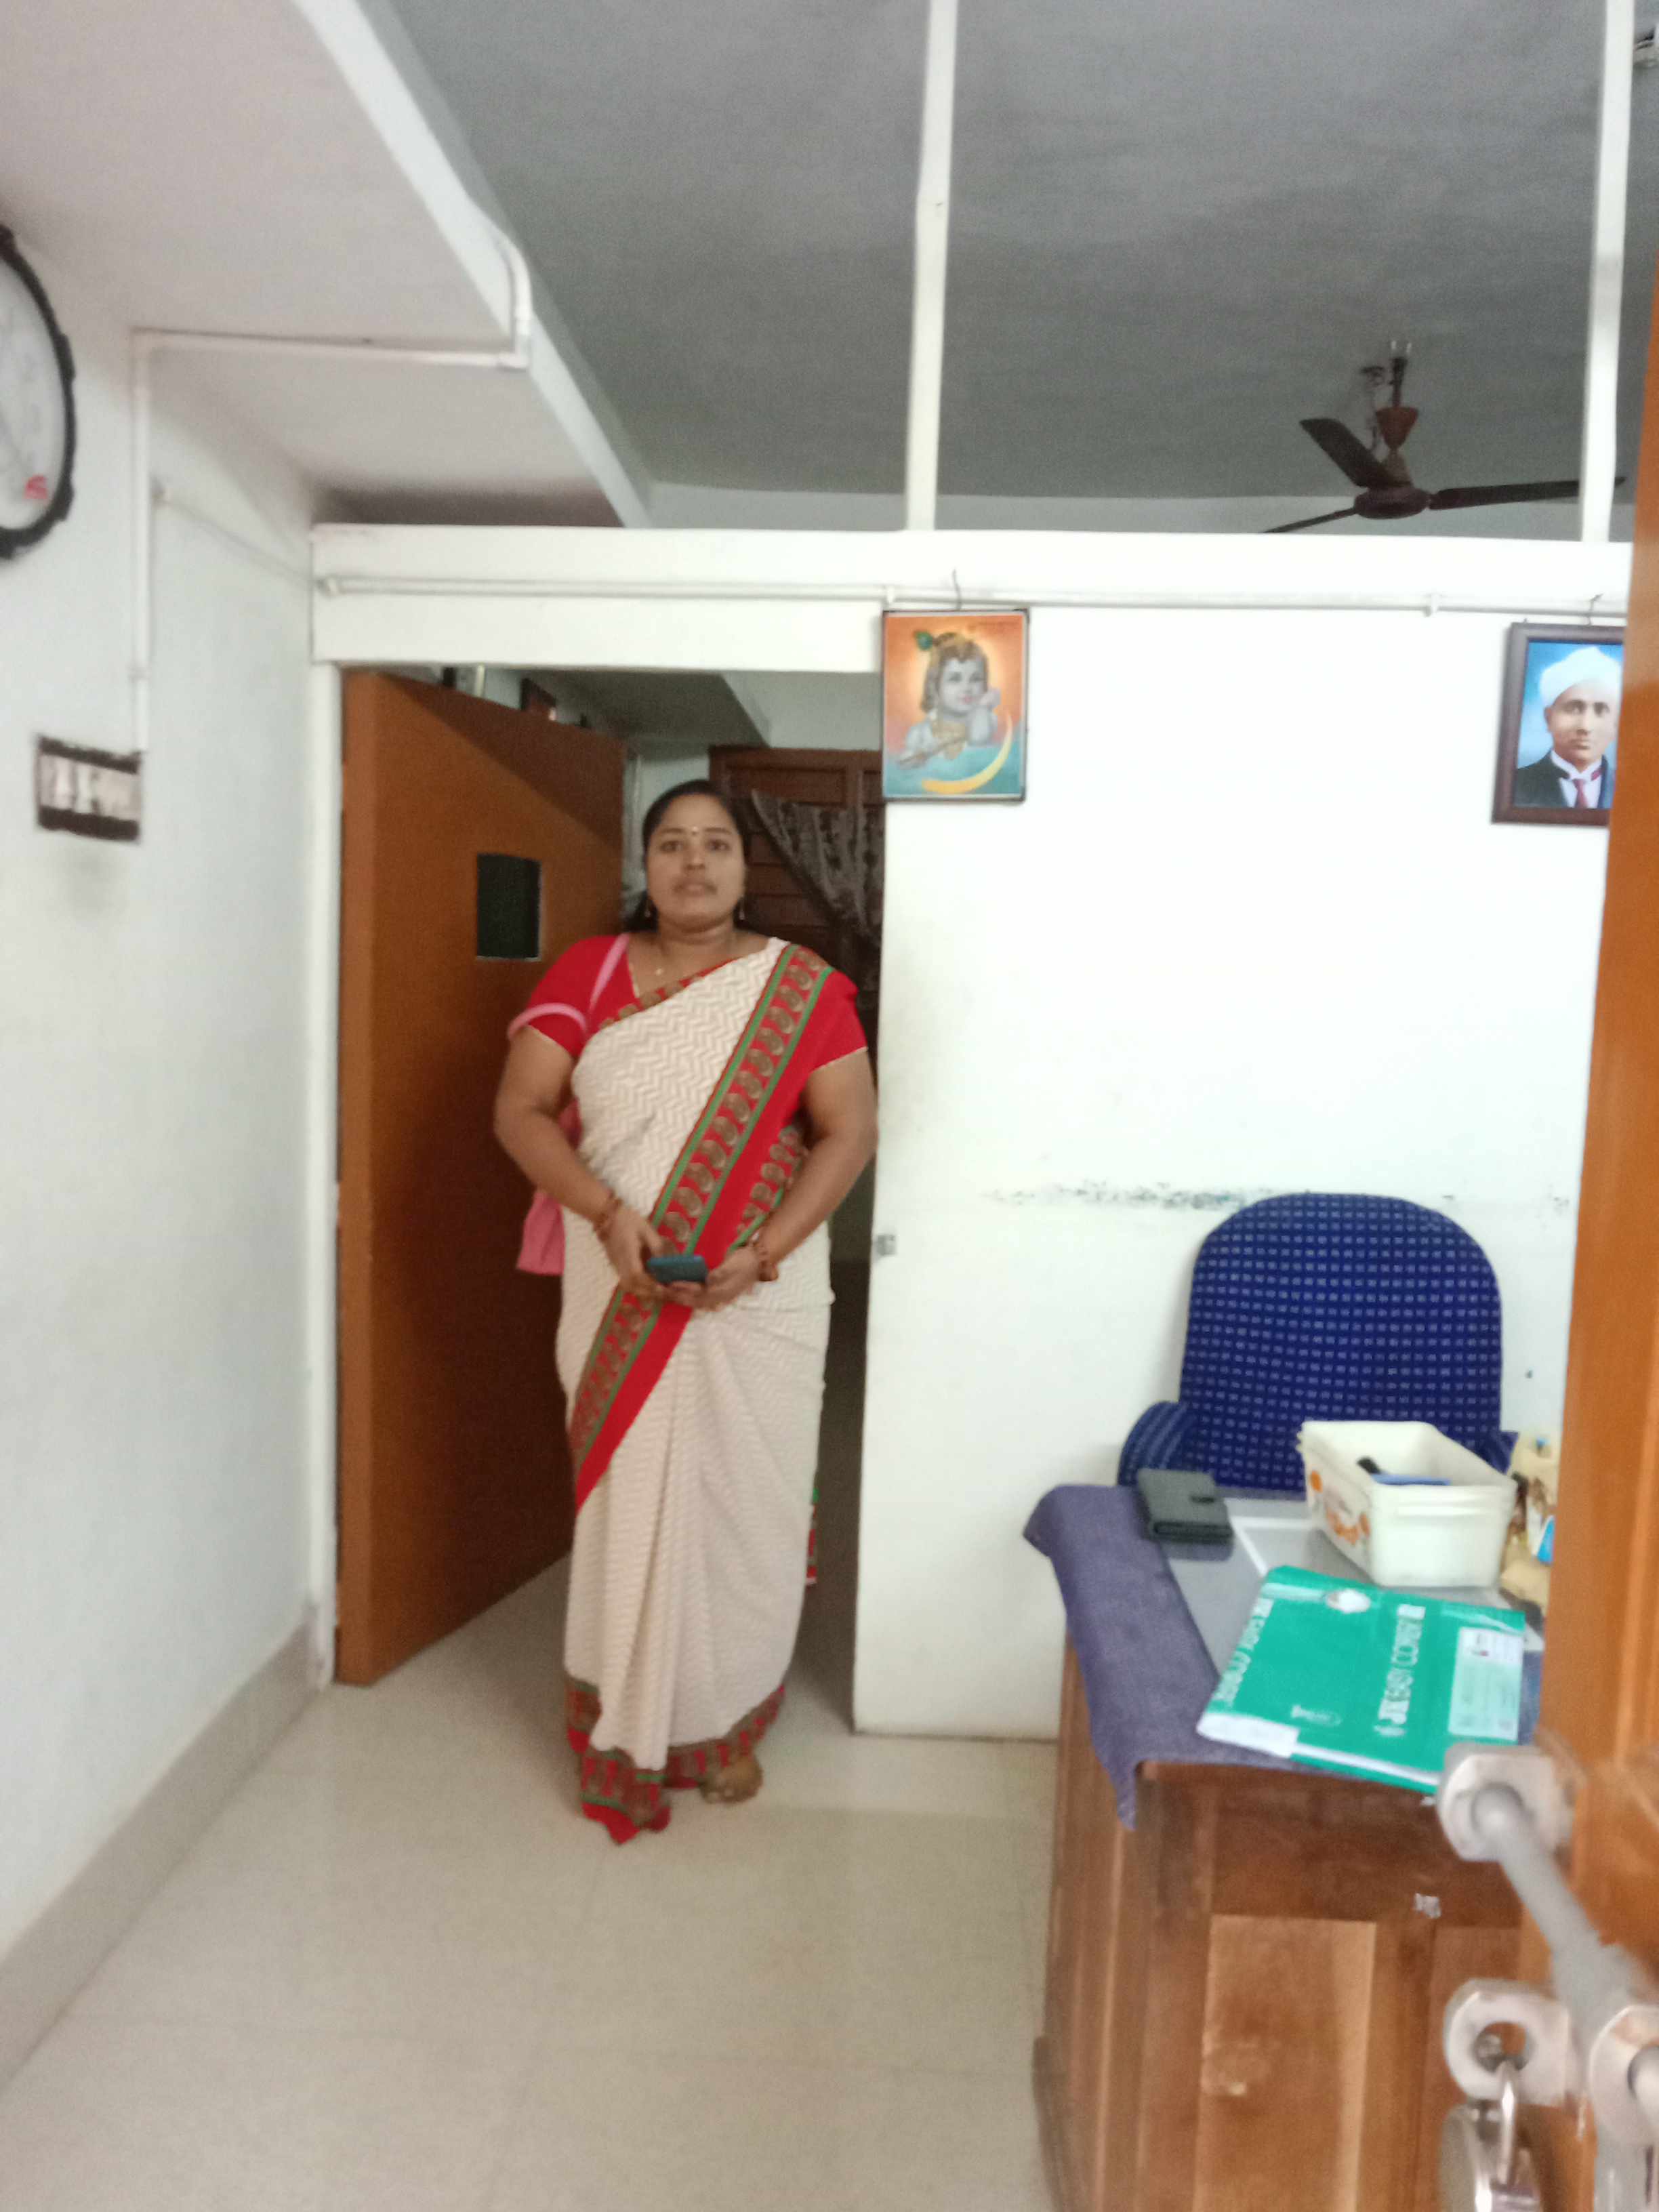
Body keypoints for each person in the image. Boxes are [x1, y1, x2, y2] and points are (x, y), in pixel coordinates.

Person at [493, 781, 878, 1842]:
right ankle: (627, 1713)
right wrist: (605, 1214)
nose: (694, 864)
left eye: (715, 845)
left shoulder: (800, 989)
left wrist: (763, 1254)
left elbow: (848, 1132)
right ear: (646, 863)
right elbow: (521, 1111)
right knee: (632, 1496)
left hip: (761, 1294)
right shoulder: (589, 973)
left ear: (746, 871)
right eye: (672, 844)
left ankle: (721, 1724)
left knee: (743, 1502)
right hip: (615, 1276)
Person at [1513, 646, 1621, 811]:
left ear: (1616, 723)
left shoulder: (1637, 789)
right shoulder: (1514, 786)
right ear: (1549, 718)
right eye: (1574, 709)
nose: (1586, 726)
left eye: (1601, 710)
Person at [897, 631, 1004, 769]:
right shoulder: (920, 732)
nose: (967, 688)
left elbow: (978, 739)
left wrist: (983, 707)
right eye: (955, 679)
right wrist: (914, 759)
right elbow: (903, 767)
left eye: (976, 679)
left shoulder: (985, 720)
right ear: (935, 685)